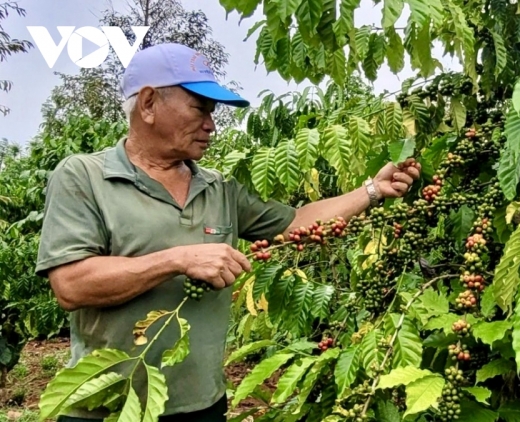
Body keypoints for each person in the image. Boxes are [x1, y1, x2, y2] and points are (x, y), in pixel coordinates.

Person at [35, 42, 421, 422]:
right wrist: (178, 259)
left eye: (213, 112)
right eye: (199, 109)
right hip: (108, 408)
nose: (211, 125)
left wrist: (372, 190)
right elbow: (71, 284)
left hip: (204, 406)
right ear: (149, 103)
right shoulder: (84, 176)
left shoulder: (218, 187)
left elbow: (296, 222)